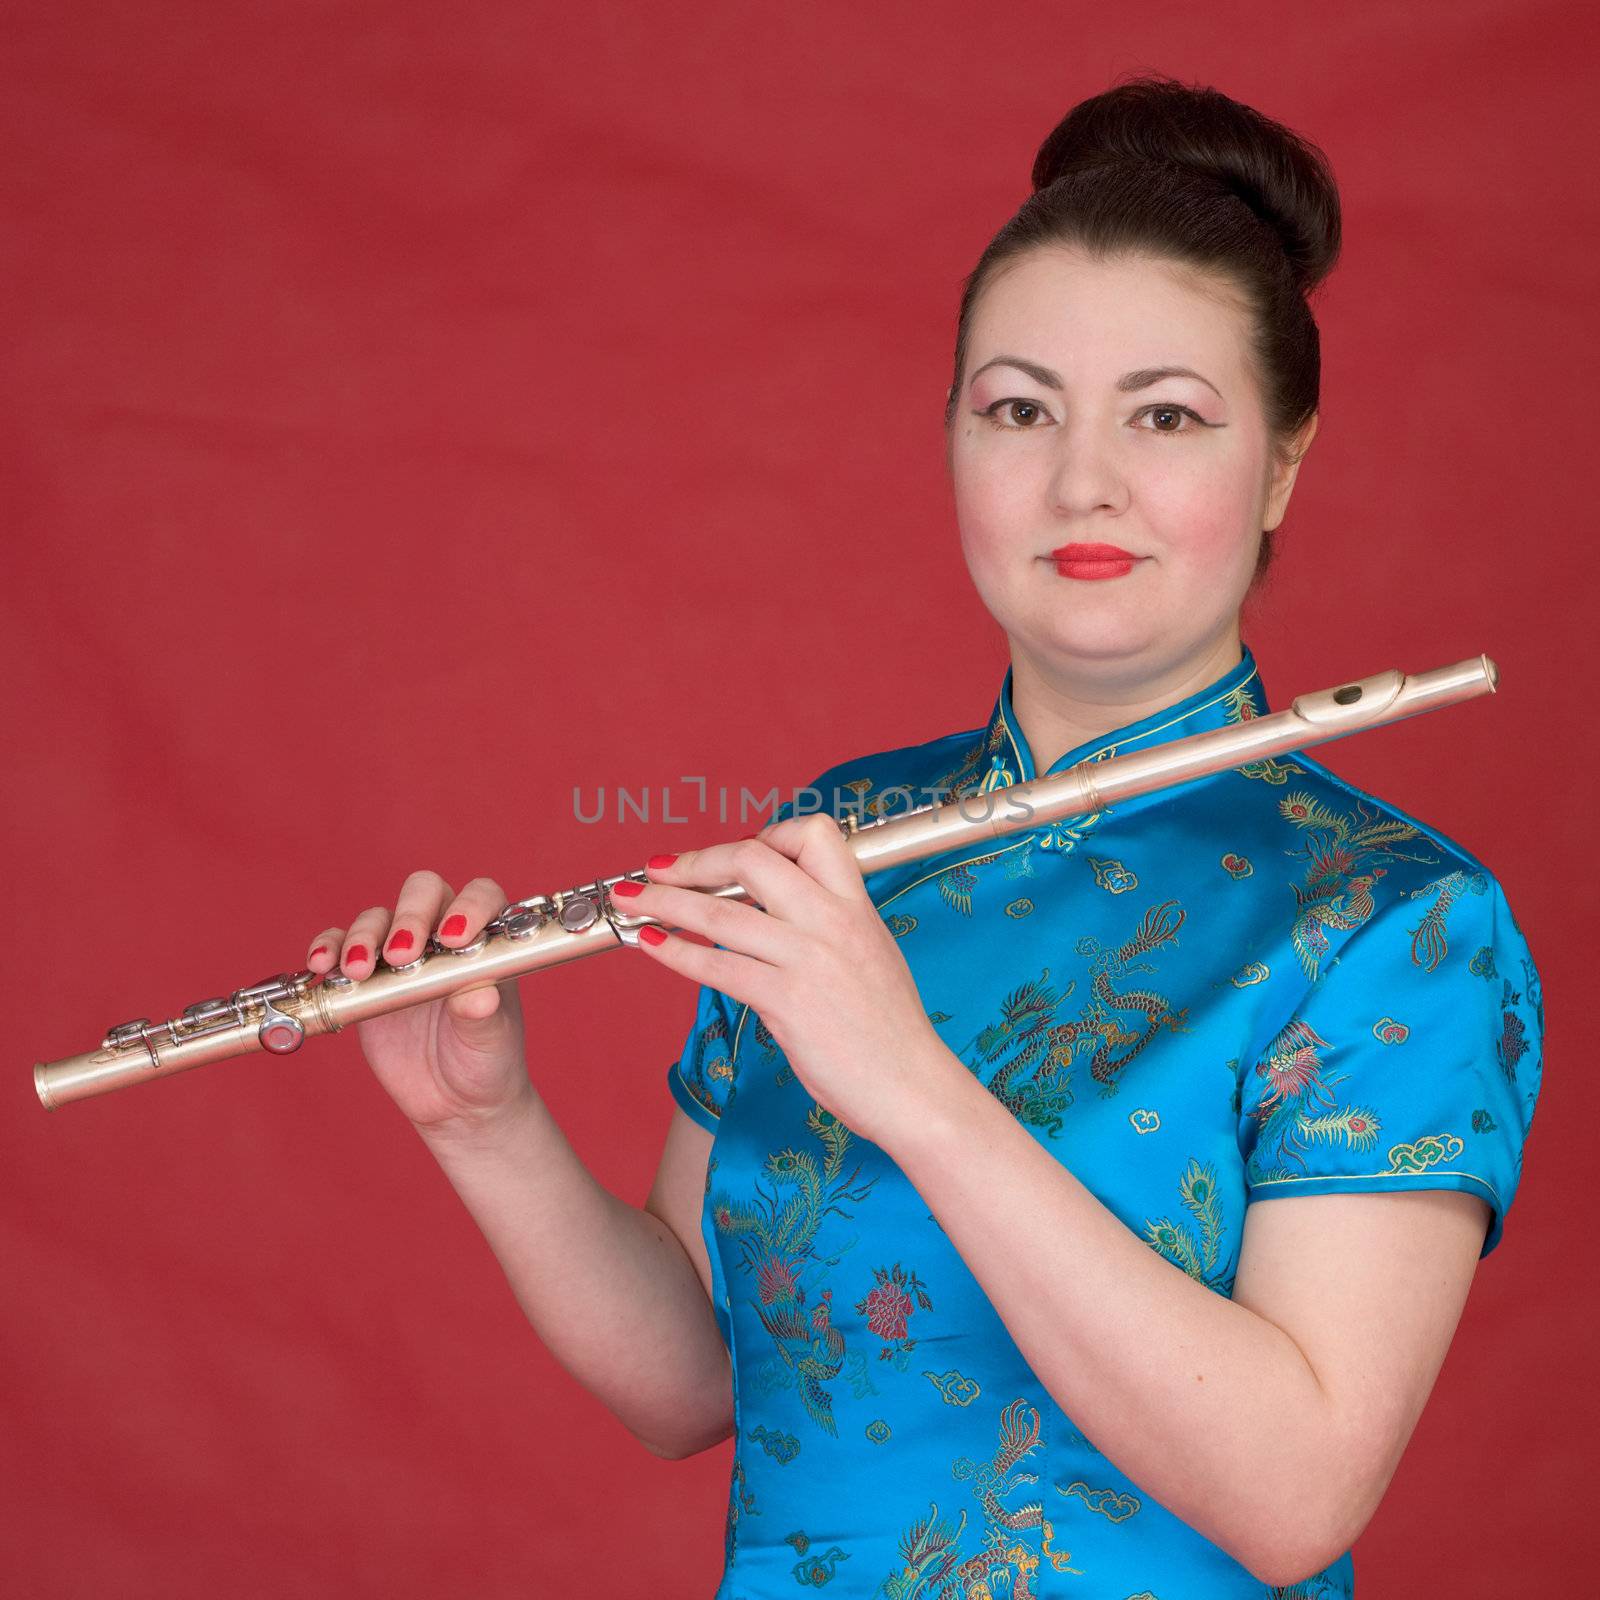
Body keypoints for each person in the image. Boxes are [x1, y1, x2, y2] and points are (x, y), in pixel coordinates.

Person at [304, 75, 1543, 1599]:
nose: (1081, 480)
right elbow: (693, 1380)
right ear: (952, 438)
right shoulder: (843, 842)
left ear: (1283, 459)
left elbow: (1293, 1499)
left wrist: (910, 1084)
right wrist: (483, 1126)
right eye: (1018, 409)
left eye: (1166, 415)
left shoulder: (1396, 920)